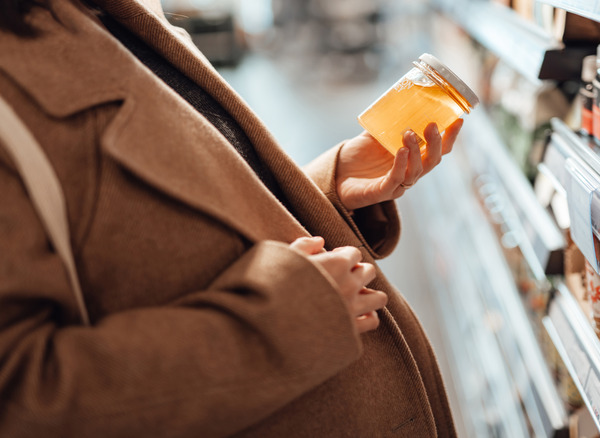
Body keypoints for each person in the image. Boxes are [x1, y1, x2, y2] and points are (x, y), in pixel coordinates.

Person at [0, 0, 465, 436]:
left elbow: (165, 225)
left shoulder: (109, 15)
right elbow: (19, 397)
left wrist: (322, 194)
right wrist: (284, 321)